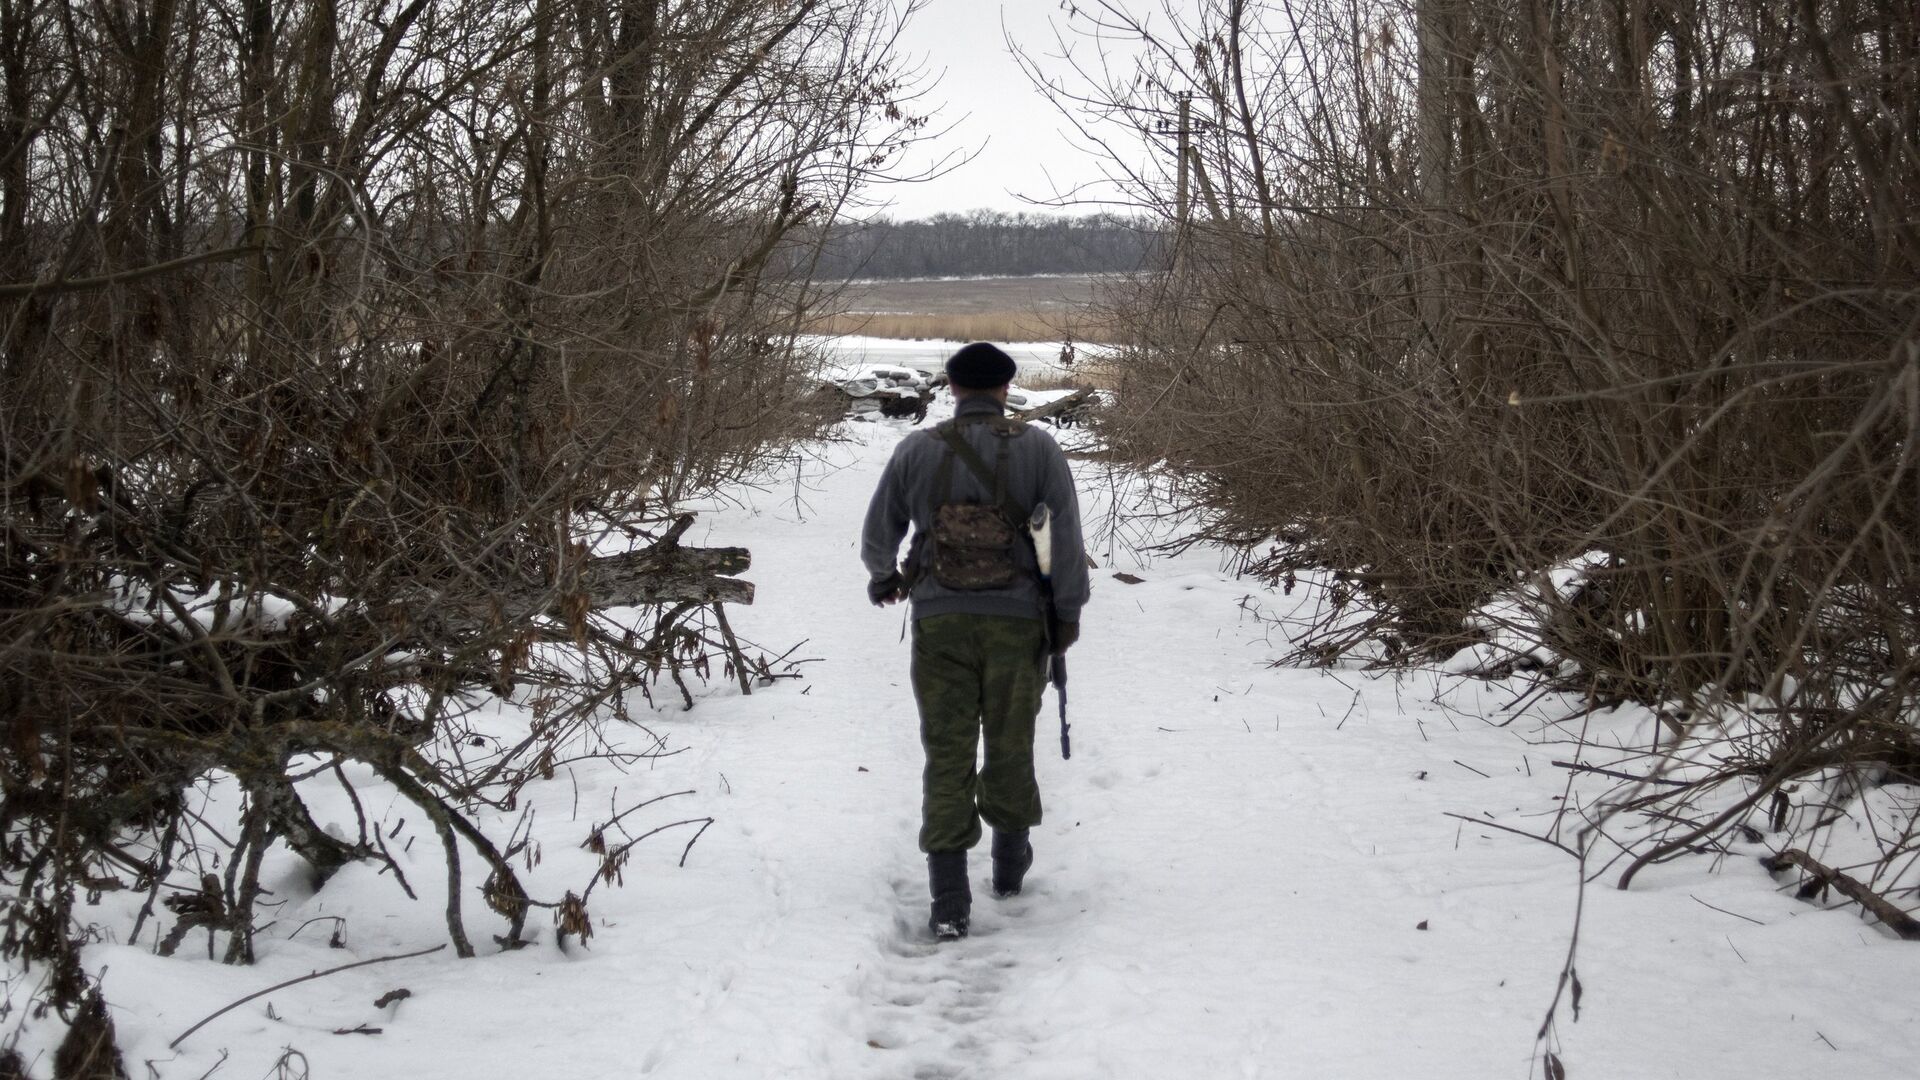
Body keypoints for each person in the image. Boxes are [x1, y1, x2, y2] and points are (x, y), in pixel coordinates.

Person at [861, 341, 1090, 940]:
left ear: (953, 388)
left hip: (939, 619)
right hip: (1018, 623)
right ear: (1006, 389)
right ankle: (1010, 870)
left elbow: (877, 533)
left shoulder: (917, 449)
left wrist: (884, 578)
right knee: (1011, 741)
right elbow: (1063, 539)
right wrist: (1066, 614)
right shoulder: (1039, 448)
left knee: (947, 750)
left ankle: (949, 899)